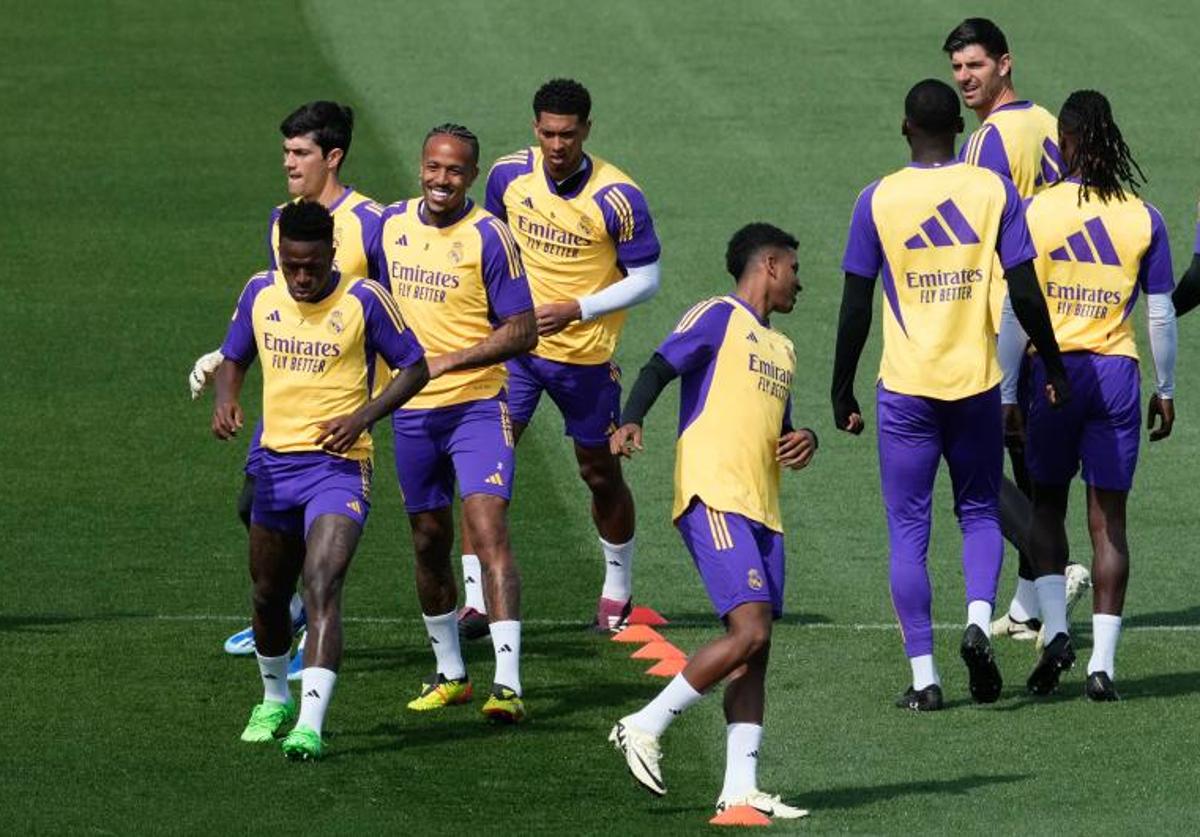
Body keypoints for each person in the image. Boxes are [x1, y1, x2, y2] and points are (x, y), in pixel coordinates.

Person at [831, 79, 1068, 711]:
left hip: (905, 391)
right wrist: (1056, 365)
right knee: (981, 512)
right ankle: (977, 617)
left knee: (909, 531)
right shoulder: (991, 191)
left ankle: (925, 678)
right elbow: (1023, 290)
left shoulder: (876, 199)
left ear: (905, 128)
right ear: (958, 132)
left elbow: (856, 305)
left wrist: (840, 389)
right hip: (976, 388)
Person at [607, 223, 812, 820]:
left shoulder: (783, 348)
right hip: (714, 494)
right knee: (748, 631)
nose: (801, 282)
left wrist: (805, 440)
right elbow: (659, 367)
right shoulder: (718, 315)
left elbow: (780, 429)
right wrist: (631, 418)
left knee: (757, 649)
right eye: (795, 269)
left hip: (763, 510)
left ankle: (740, 786)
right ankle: (644, 725)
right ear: (770, 265)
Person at [212, 200, 428, 759]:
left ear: (332, 252)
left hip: (339, 465)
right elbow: (235, 354)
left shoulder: (364, 299)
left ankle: (310, 723)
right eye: (292, 265)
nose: (302, 278)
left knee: (323, 583)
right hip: (275, 466)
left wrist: (363, 416)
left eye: (311, 266)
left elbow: (415, 365)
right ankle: (273, 698)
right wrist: (227, 399)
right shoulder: (261, 290)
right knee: (266, 594)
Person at [189, 102, 387, 667]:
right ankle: (292, 609)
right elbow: (272, 301)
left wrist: (376, 401)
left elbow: (393, 311)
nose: (289, 164)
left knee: (325, 533)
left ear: (334, 157)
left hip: (344, 405)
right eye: (286, 153)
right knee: (253, 507)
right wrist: (226, 355)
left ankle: (311, 621)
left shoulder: (372, 222)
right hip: (286, 399)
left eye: (299, 153)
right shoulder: (282, 218)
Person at [462, 78, 661, 637]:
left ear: (587, 131)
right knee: (481, 467)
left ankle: (617, 589)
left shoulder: (618, 197)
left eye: (568, 134)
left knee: (599, 473)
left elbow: (647, 279)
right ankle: (476, 600)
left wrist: (579, 308)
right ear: (535, 129)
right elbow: (491, 248)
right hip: (517, 353)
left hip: (586, 359)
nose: (557, 145)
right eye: (548, 133)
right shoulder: (507, 176)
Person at [1007, 90, 1177, 701]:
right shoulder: (1143, 215)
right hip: (1116, 376)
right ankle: (1102, 666)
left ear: (1066, 142)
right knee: (1110, 524)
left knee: (1046, 505)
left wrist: (1007, 390)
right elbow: (1160, 315)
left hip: (1053, 375)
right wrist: (1166, 388)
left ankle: (1055, 629)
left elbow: (1013, 309)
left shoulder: (1033, 210)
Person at [375, 124, 537, 722]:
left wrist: (449, 359)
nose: (442, 180)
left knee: (488, 527)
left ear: (471, 176)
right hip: (412, 413)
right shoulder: (389, 227)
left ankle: (509, 685)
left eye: (455, 171)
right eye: (434, 167)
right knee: (426, 540)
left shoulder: (489, 237)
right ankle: (451, 674)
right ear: (421, 166)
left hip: (477, 406)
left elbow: (523, 330)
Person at [942, 17, 1089, 641]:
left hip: (1011, 313)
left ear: (1005, 63)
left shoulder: (986, 144)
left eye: (975, 65)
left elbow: (977, 235)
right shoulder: (1050, 122)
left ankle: (1056, 564)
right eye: (957, 69)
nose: (965, 79)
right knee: (1028, 456)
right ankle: (1032, 603)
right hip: (1059, 310)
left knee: (978, 454)